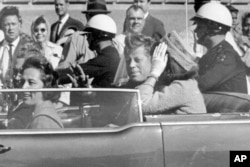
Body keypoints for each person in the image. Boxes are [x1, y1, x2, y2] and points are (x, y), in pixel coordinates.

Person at [123, 33, 206, 114]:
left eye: (157, 58)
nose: (155, 61)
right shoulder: (178, 84)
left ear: (166, 61)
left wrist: (154, 73)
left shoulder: (183, 87)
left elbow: (140, 105)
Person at [192, 2, 247, 93]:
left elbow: (199, 85)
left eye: (200, 26)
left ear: (214, 28)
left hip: (228, 107)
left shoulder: (227, 57)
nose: (195, 30)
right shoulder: (213, 53)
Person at [59, 14, 120, 88]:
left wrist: (51, 76)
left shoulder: (106, 58)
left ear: (100, 34)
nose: (86, 38)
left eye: (89, 34)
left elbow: (75, 72)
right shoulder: (112, 54)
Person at [8, 56, 63, 129]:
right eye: (23, 82)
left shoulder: (42, 120)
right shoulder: (39, 114)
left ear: (46, 86)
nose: (24, 87)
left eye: (31, 82)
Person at [56, 0, 110, 70]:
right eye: (93, 16)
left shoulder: (112, 41)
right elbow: (63, 70)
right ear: (87, 17)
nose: (97, 20)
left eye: (100, 16)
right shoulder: (76, 40)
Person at [112, 4, 146, 86]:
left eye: (139, 19)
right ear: (126, 21)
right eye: (132, 19)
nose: (136, 22)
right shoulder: (117, 41)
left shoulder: (146, 42)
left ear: (144, 22)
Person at [0, 6, 32, 89]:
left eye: (13, 24)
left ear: (20, 24)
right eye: (7, 24)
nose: (11, 28)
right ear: (1, 27)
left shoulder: (30, 48)